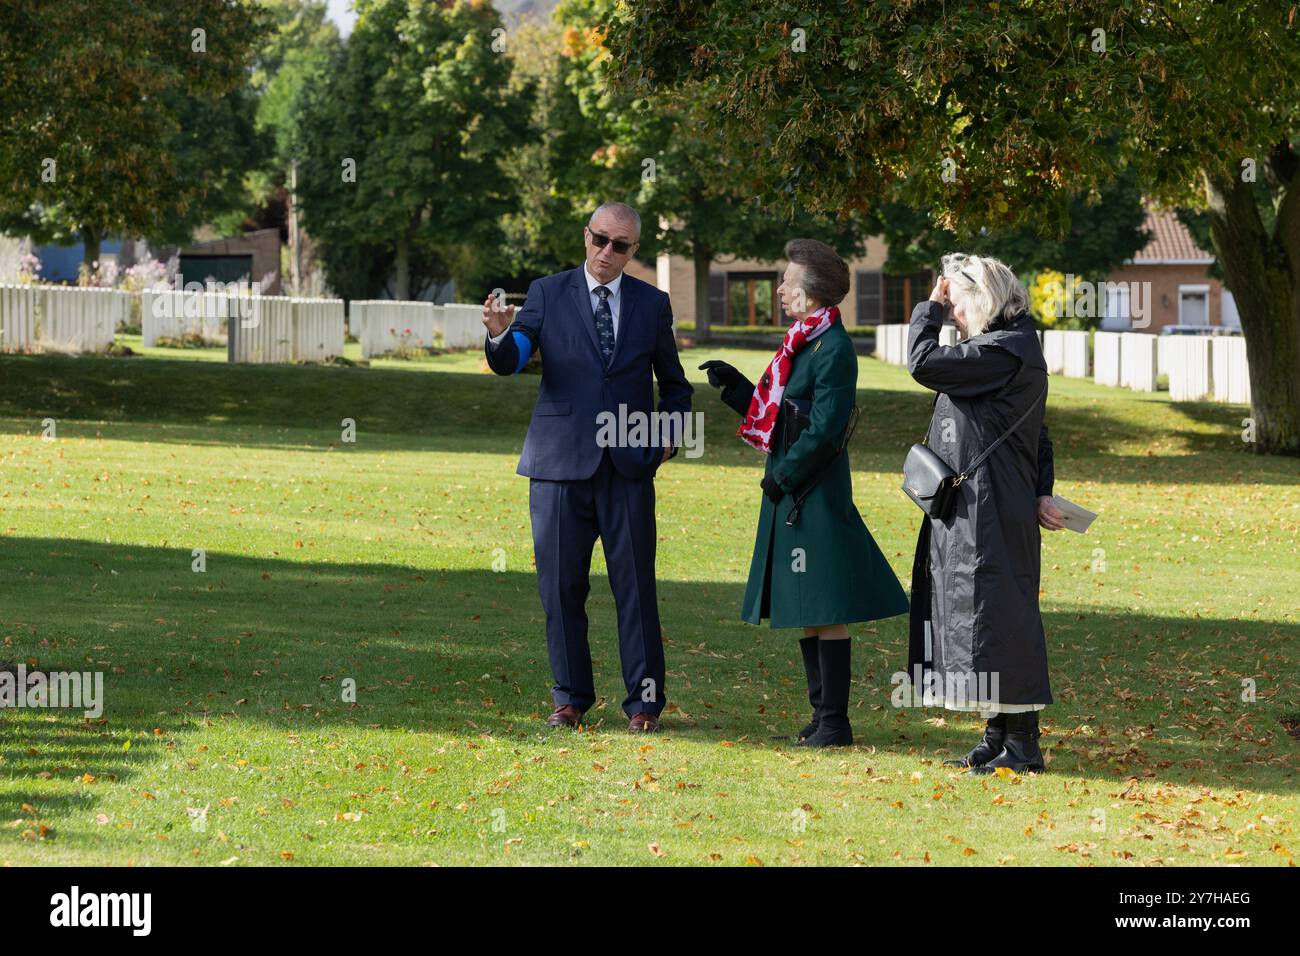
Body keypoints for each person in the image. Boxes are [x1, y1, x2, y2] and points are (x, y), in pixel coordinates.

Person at [481, 202, 693, 733]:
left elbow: (675, 385)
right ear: (586, 236)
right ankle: (570, 698)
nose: (606, 252)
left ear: (633, 251)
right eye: (600, 239)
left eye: (620, 246)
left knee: (636, 589)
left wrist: (668, 438)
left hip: (627, 467)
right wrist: (499, 335)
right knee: (560, 588)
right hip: (556, 467)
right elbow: (512, 360)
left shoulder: (653, 304)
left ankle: (644, 704)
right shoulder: (548, 293)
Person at [699, 239, 909, 746]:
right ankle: (822, 716)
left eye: (788, 283)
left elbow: (825, 430)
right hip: (795, 486)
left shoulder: (832, 348)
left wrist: (783, 476)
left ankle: (835, 722)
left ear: (812, 293)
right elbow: (783, 416)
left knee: (825, 604)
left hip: (813, 488)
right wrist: (737, 389)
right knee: (808, 604)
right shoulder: (803, 339)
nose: (780, 290)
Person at [906, 253, 1065, 774]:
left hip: (990, 508)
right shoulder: (1006, 349)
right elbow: (1037, 437)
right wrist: (1043, 491)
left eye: (956, 303)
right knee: (983, 620)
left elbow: (922, 364)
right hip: (986, 503)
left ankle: (1023, 746)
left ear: (982, 299)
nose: (951, 314)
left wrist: (927, 308)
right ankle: (997, 737)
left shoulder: (1002, 352)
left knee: (998, 619)